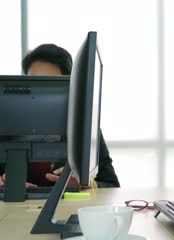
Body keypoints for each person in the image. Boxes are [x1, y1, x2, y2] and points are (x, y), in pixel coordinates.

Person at [0, 44, 120, 188]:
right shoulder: (8, 123)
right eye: (34, 81)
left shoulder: (85, 128)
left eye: (48, 83)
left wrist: (87, 184)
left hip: (67, 209)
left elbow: (111, 184)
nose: (39, 92)